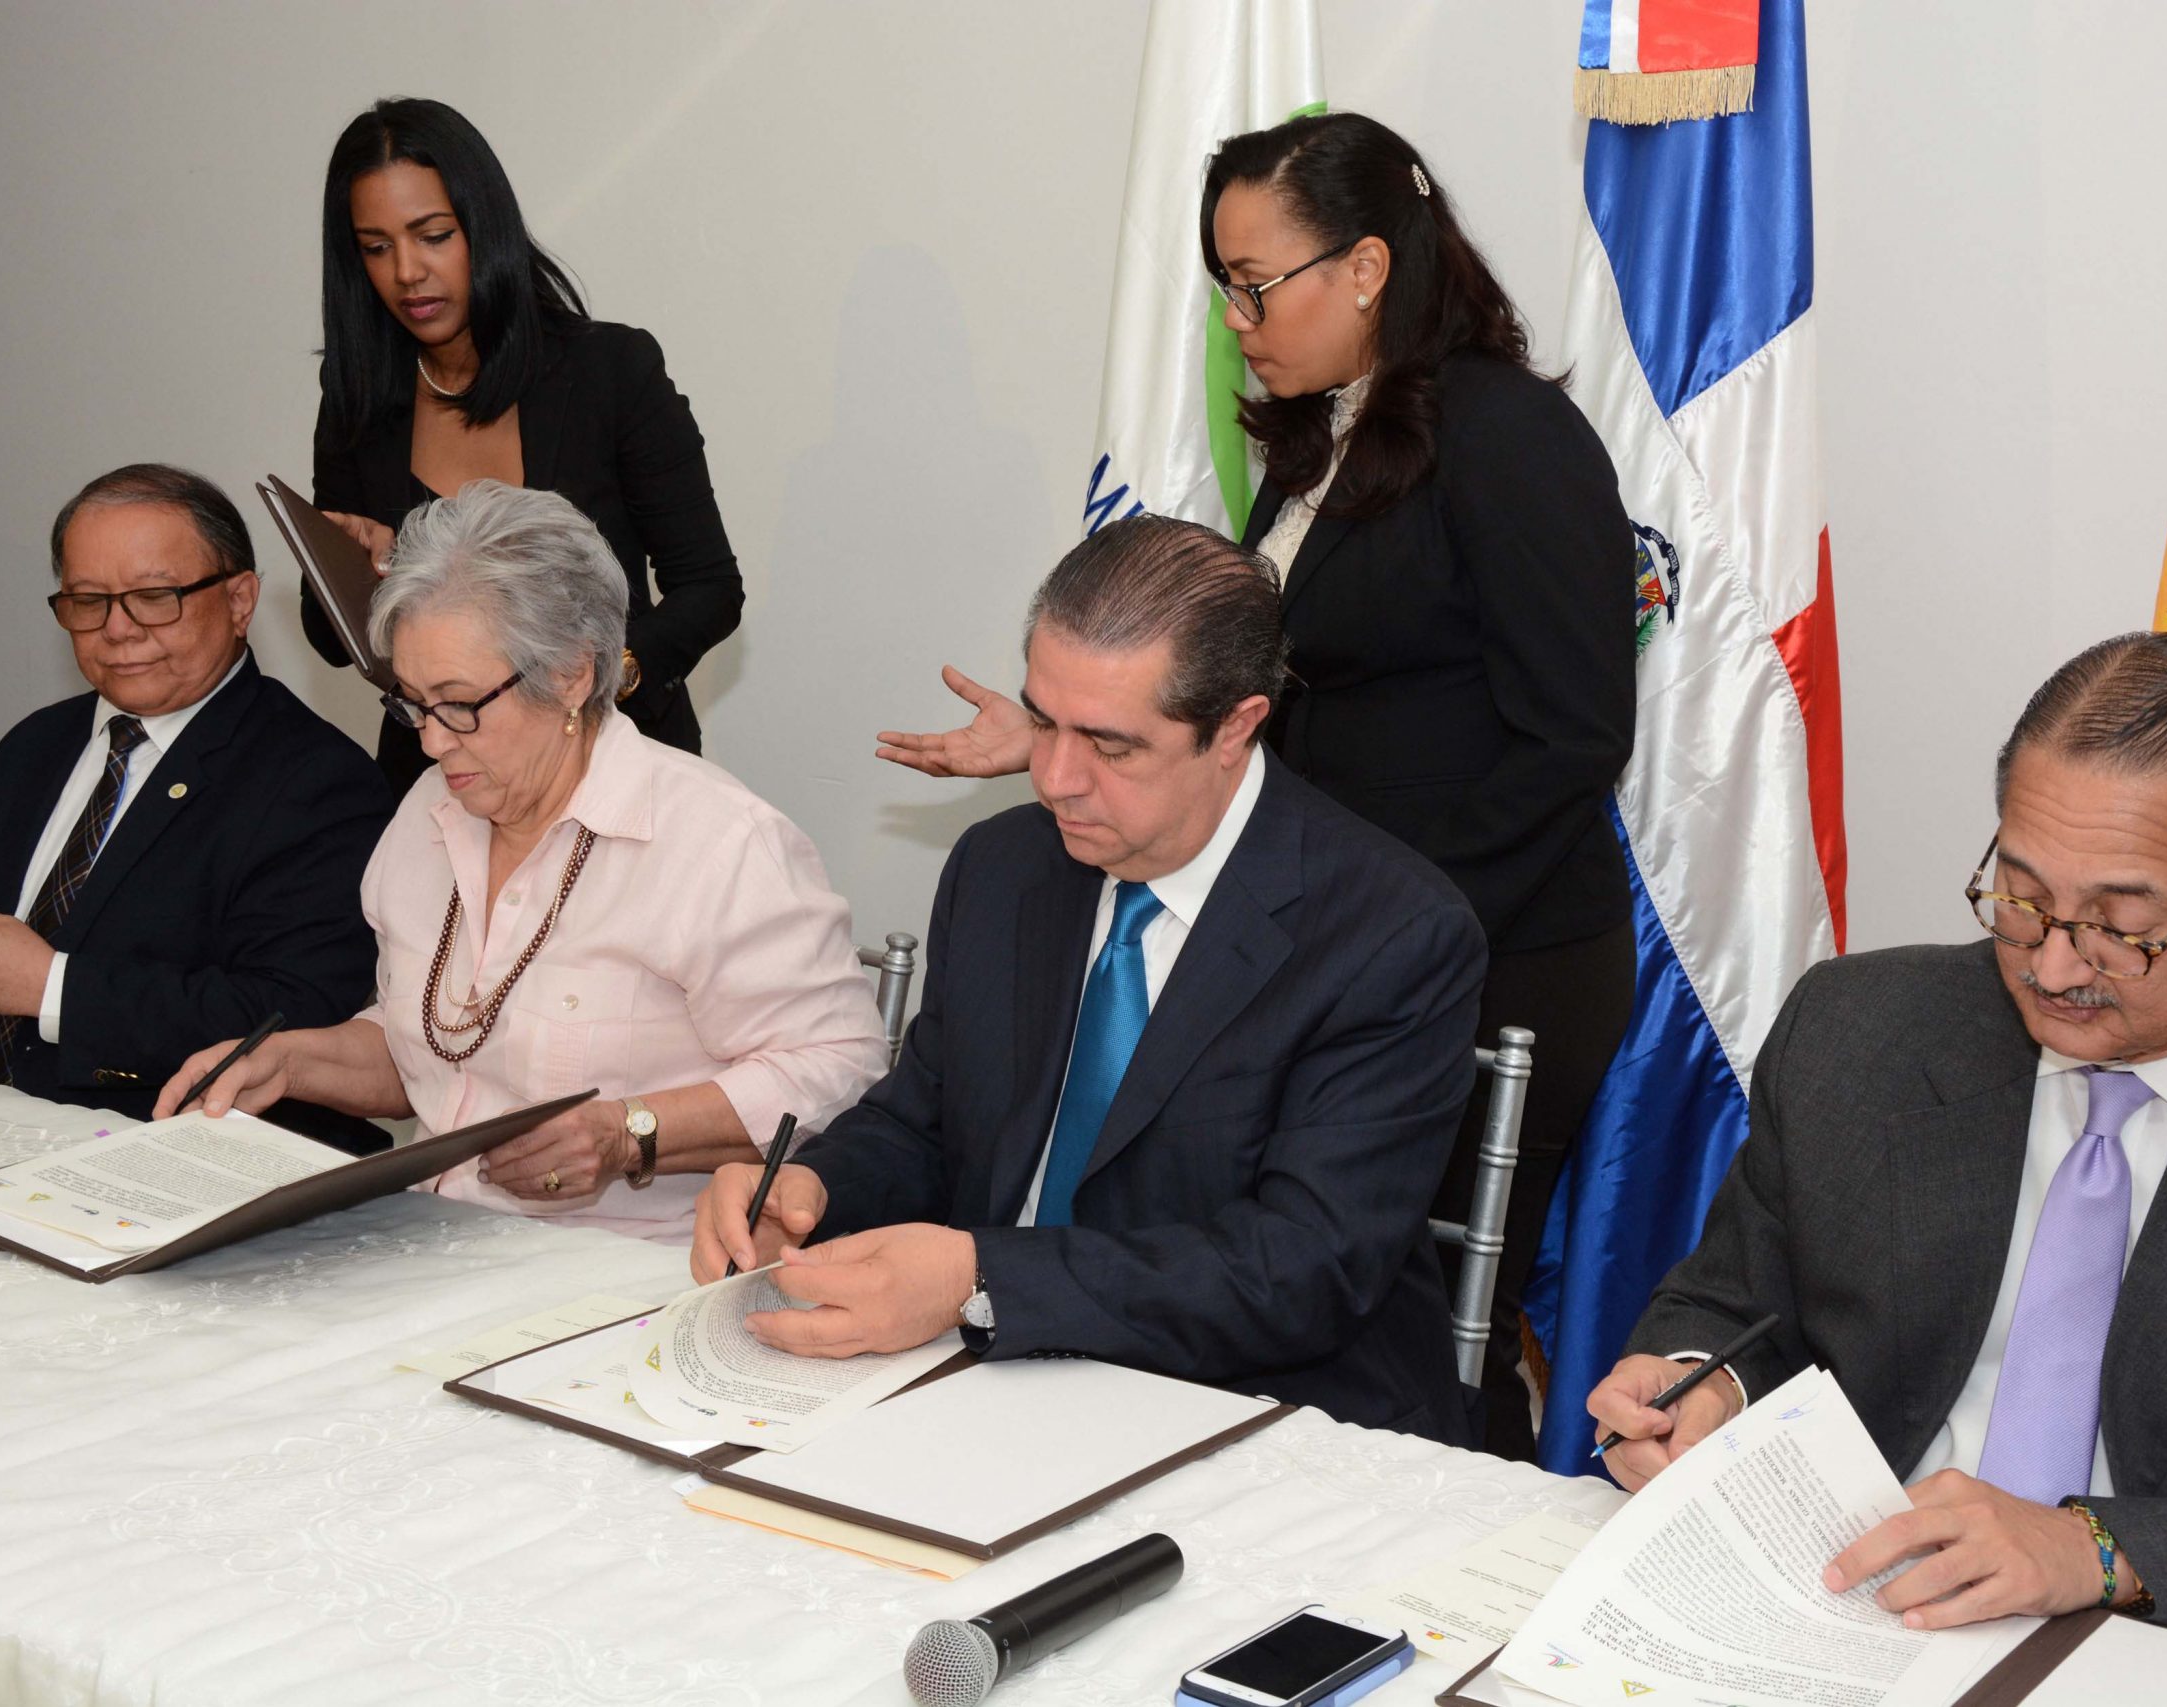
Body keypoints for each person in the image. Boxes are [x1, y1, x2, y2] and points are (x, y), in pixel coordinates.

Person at [875, 113, 1635, 1459]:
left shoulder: (1513, 436)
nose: (1235, 320)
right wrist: (1067, 740)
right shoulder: (1324, 436)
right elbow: (1253, 699)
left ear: (1366, 267)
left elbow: (1574, 738)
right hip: (1310, 930)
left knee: (1386, 1314)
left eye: (1254, 283)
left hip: (1484, 944)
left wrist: (1373, 930)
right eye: (1221, 286)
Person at [1587, 633, 2167, 1672]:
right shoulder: (1859, 1031)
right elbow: (1735, 1307)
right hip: (1847, 1613)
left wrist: (2103, 1550)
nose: (2053, 967)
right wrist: (1699, 1388)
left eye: (2121, 926)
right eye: (2021, 895)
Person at [694, 514, 1487, 1443]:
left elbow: (1298, 1268)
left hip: (1267, 1415)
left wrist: (979, 1277)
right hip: (985, 1388)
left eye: (1110, 747)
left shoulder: (1390, 933)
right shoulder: (1001, 866)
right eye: (1042, 720)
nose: (1056, 778)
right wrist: (810, 1187)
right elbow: (924, 1121)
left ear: (1235, 728)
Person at [160, 482, 887, 1239]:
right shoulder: (428, 813)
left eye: (458, 703)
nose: (431, 741)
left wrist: (631, 1132)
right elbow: (436, 1050)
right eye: (411, 703)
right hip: (432, 1242)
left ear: (571, 674)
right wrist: (289, 1063)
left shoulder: (716, 843)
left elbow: (843, 1069)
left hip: (630, 1273)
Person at [0, 464, 391, 1150]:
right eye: (88, 600)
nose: (117, 629)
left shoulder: (318, 780)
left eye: (153, 597)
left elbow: (290, 1018)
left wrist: (51, 987)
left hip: (143, 1153)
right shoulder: (35, 745)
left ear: (239, 600)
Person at [305, 96, 743, 795]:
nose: (407, 271)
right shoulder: (357, 393)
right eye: (377, 247)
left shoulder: (609, 370)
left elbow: (711, 589)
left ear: (484, 227)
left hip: (614, 759)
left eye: (433, 236)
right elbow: (330, 641)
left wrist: (610, 678)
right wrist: (358, 569)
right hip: (440, 776)